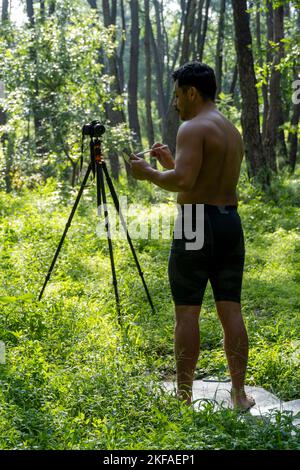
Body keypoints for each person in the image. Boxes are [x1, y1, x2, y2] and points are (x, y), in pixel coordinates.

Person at [130, 61, 255, 411]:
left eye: (177, 95)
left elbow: (184, 183)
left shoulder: (192, 126)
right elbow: (201, 177)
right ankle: (239, 394)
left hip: (195, 224)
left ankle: (183, 398)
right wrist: (171, 163)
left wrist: (149, 173)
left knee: (186, 314)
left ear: (191, 92)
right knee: (231, 310)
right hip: (229, 223)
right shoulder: (230, 130)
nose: (175, 103)